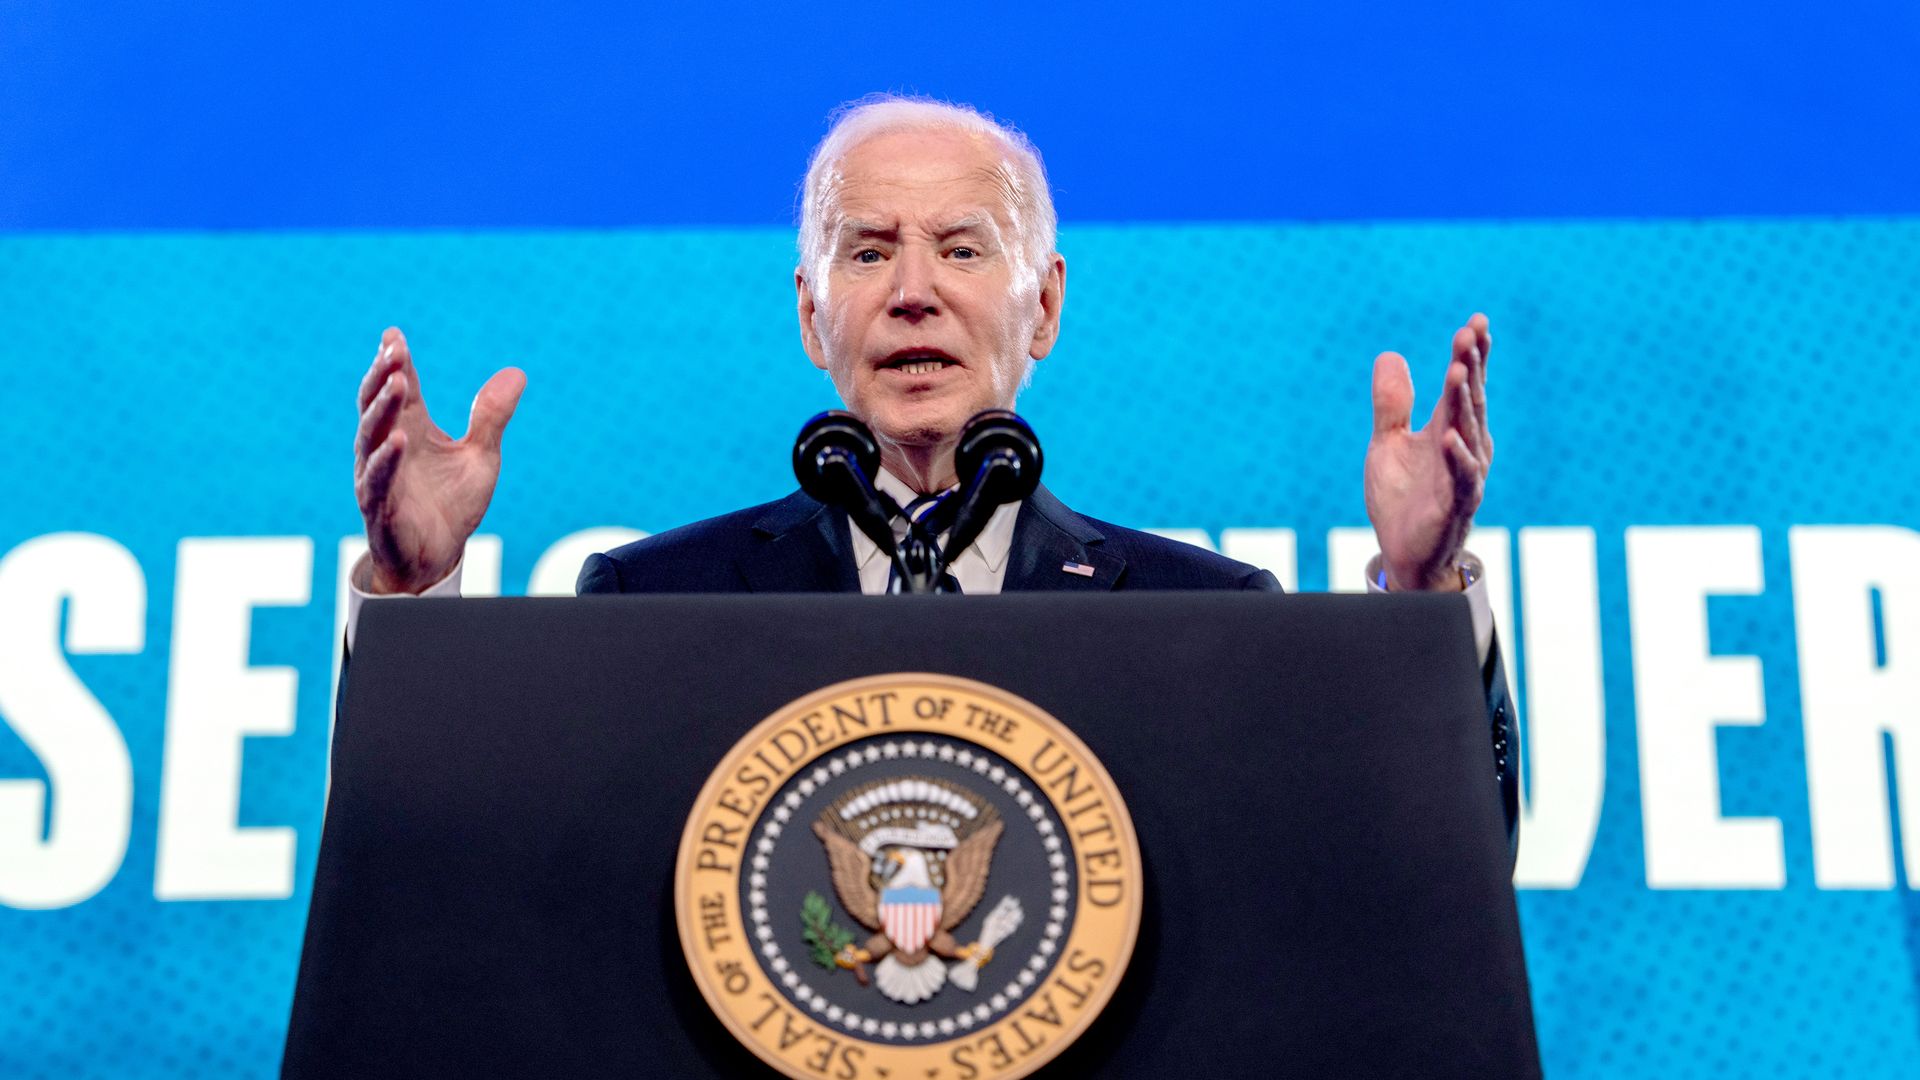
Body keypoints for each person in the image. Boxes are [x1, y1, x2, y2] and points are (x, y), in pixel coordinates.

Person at [344, 95, 1514, 841]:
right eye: (868, 251)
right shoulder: (653, 603)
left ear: (1044, 303)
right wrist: (408, 605)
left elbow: (1419, 867)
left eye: (962, 247)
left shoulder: (1199, 617)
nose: (914, 290)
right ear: (812, 315)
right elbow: (472, 872)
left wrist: (1422, 607)